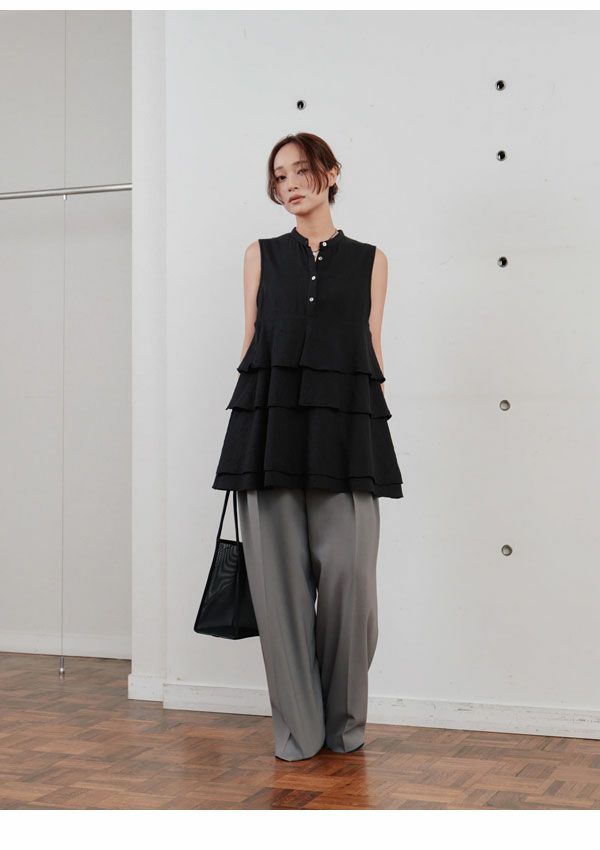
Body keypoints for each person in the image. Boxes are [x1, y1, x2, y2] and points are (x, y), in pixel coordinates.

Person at [213, 132, 403, 761]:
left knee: (351, 582)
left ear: (331, 173)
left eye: (300, 171)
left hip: (346, 436)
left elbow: (372, 346)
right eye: (279, 177)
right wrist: (244, 438)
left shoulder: (371, 260)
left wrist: (374, 433)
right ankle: (299, 730)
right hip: (270, 434)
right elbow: (250, 340)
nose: (290, 184)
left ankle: (344, 723)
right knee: (280, 594)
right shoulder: (261, 255)